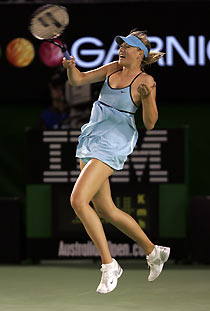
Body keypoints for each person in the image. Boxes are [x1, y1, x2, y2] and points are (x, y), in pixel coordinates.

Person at [62, 29, 170, 294]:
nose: (122, 48)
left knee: (78, 200)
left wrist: (146, 99)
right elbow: (78, 81)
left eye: (128, 46)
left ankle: (109, 265)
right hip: (92, 137)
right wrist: (71, 68)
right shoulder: (112, 68)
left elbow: (150, 123)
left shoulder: (146, 80)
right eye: (121, 45)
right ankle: (153, 252)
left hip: (114, 142)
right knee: (107, 210)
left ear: (140, 54)